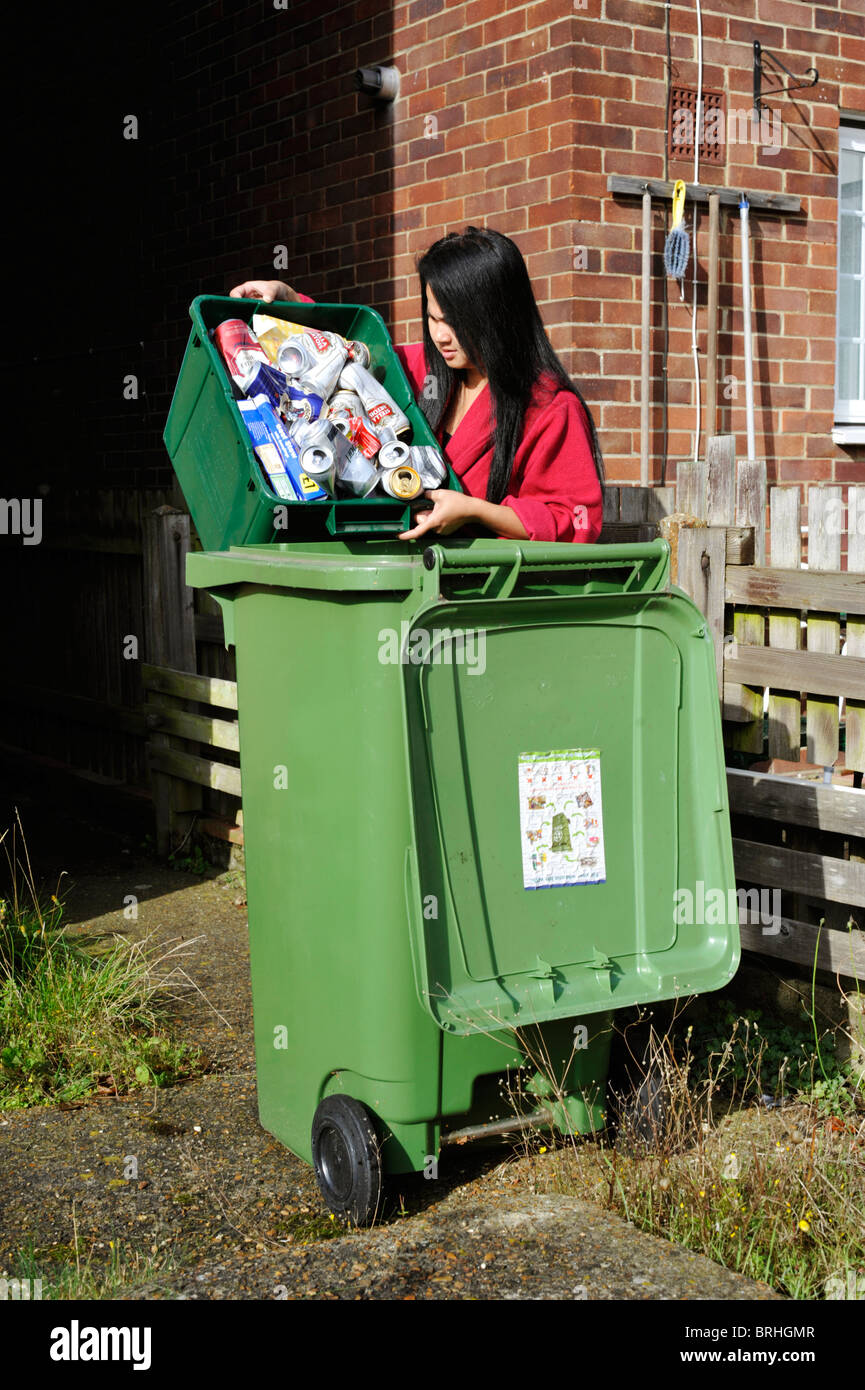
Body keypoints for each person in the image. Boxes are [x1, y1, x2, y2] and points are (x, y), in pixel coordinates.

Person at [231, 226, 604, 543]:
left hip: (482, 592)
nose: (441, 336)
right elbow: (346, 355)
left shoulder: (551, 407)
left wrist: (475, 511)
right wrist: (291, 300)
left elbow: (575, 520)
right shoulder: (421, 369)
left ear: (498, 317)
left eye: (455, 322)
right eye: (432, 317)